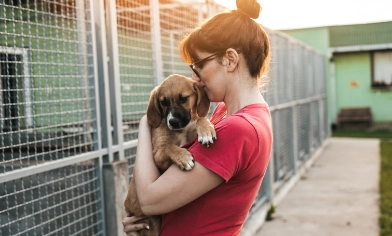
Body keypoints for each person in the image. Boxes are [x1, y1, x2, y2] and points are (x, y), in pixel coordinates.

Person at [122, 0, 272, 235]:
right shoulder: (229, 114)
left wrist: (145, 124)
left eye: (198, 65)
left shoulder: (238, 128)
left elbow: (150, 200)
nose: (195, 77)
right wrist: (144, 223)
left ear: (230, 60)